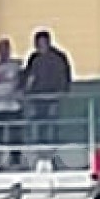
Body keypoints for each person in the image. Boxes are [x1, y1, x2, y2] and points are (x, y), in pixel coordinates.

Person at [22, 30, 73, 163]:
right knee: (38, 125)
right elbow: (29, 76)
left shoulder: (58, 58)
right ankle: (39, 154)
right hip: (37, 97)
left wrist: (62, 91)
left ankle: (51, 155)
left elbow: (64, 77)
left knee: (51, 125)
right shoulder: (34, 58)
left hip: (52, 96)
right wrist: (27, 92)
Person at [0, 38, 25, 169]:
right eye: (1, 49)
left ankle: (15, 161)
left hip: (13, 105)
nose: (3, 52)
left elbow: (17, 80)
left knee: (15, 134)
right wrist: (0, 78)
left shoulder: (15, 65)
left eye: (6, 49)